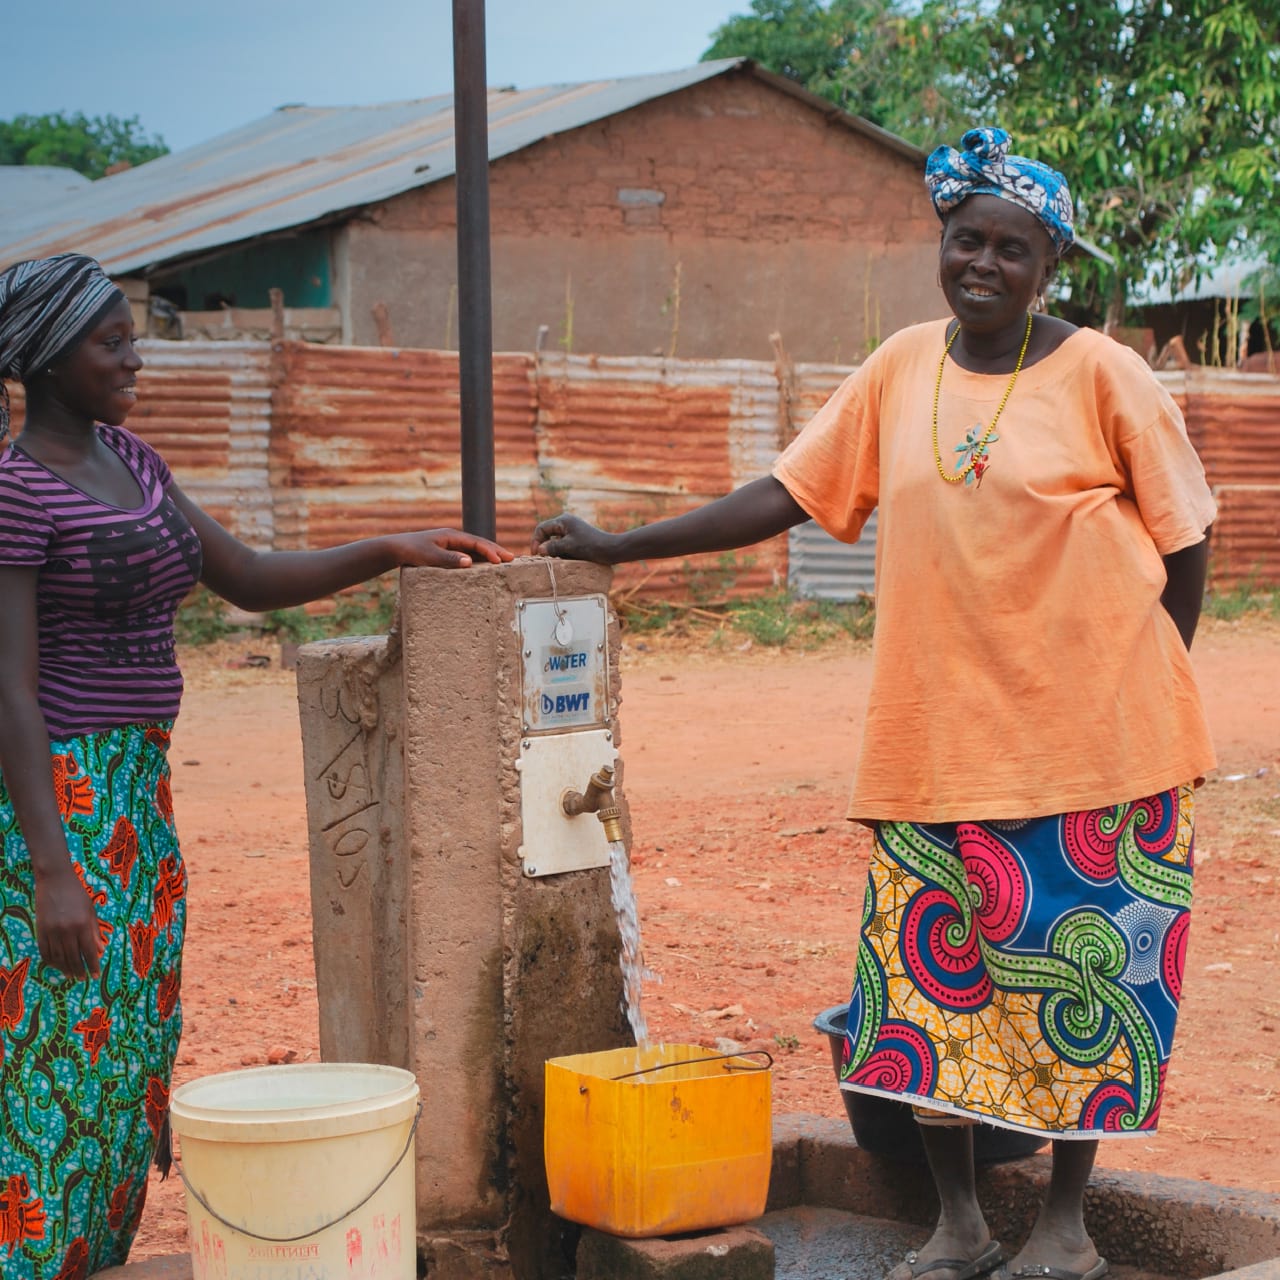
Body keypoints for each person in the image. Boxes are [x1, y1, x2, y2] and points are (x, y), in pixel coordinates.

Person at [532, 127, 1216, 1280]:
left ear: (1048, 262)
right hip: (933, 740)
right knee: (925, 993)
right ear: (940, 244)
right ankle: (957, 1224)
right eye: (964, 240)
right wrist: (622, 543)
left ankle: (1063, 1228)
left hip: (1099, 744)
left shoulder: (1105, 373)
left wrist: (1150, 674)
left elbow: (1184, 537)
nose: (981, 263)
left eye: (1009, 247)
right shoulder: (901, 366)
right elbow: (783, 492)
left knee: (1087, 981)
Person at [0, 253, 512, 1278]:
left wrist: (389, 547)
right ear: (49, 360)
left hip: (137, 797)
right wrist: (51, 869)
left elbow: (245, 575)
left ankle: (93, 1257)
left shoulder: (132, 460)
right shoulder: (14, 491)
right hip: (52, 802)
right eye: (112, 342)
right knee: (49, 1068)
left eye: (131, 338)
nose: (134, 358)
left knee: (128, 1055)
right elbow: (9, 689)